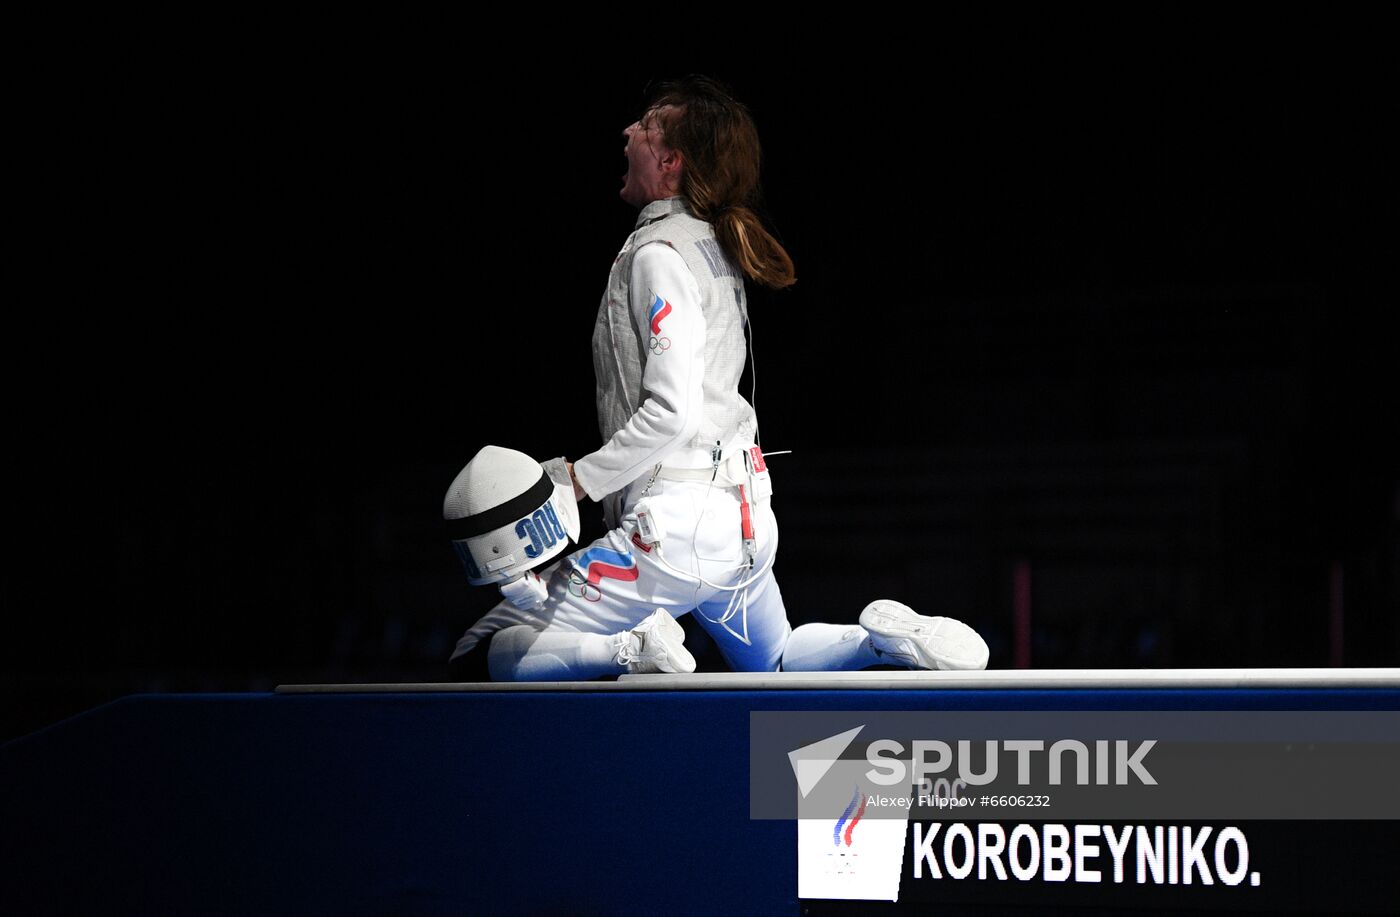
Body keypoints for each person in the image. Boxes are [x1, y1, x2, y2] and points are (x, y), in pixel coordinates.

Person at [448, 76, 989, 680]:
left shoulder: (659, 253)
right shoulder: (714, 247)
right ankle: (882, 645)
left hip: (673, 532)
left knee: (505, 651)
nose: (629, 133)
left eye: (646, 128)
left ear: (671, 161)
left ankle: (633, 648)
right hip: (743, 520)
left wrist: (578, 482)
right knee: (775, 662)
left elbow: (671, 411)